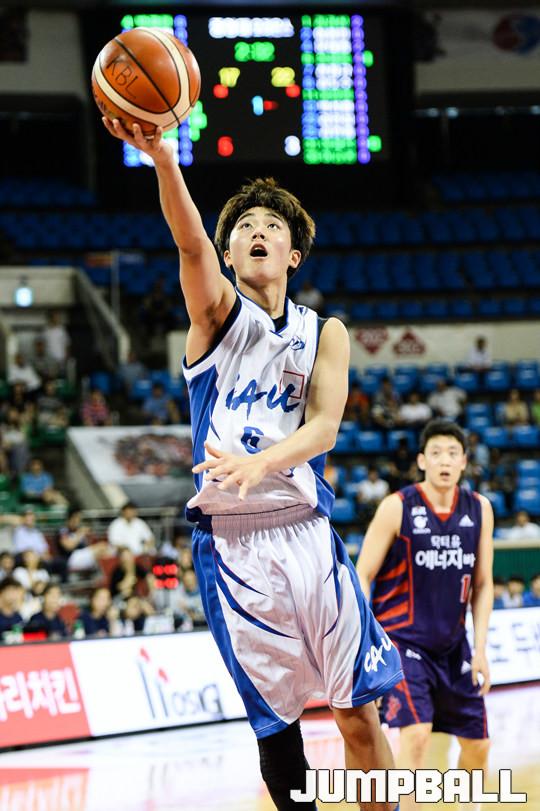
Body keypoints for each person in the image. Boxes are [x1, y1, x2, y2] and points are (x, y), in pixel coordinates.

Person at [103, 116, 403, 811]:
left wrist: (261, 462)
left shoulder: (325, 332)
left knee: (359, 715)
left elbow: (324, 426)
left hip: (306, 533)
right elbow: (187, 241)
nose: (257, 230)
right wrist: (164, 160)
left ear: (294, 253)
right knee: (279, 730)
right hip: (234, 548)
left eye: (272, 224)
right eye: (243, 226)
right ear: (229, 252)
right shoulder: (213, 315)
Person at [356, 420, 493, 811]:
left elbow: (483, 584)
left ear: (464, 461)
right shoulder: (397, 506)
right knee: (415, 736)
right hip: (403, 642)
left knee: (479, 745)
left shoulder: (480, 508)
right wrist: (367, 644)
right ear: (421, 461)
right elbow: (362, 574)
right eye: (436, 453)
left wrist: (480, 649)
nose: (444, 461)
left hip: (454, 647)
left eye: (452, 453)